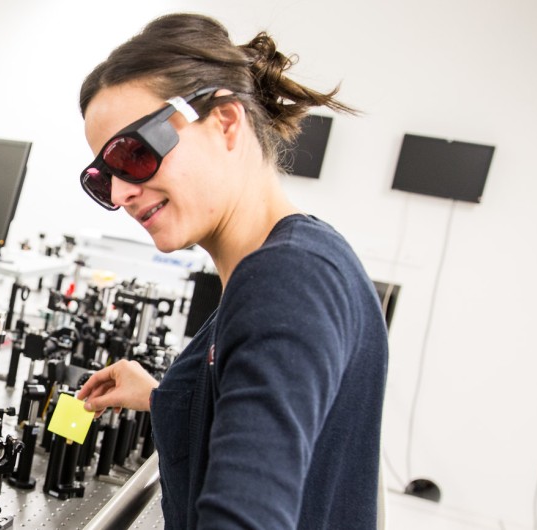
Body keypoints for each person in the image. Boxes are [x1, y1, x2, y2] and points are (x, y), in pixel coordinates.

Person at [73, 13, 389, 530]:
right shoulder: (300, 255)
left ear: (225, 122)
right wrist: (162, 396)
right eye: (101, 177)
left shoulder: (288, 279)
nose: (120, 192)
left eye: (133, 154)